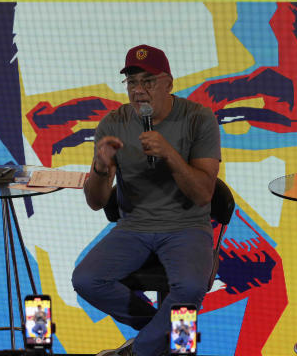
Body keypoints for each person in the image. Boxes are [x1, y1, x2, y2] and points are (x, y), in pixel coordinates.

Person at [72, 45, 222, 356]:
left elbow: (203, 193)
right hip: (134, 227)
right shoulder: (113, 123)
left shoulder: (198, 118)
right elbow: (96, 202)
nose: (139, 91)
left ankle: (137, 351)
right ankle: (161, 338)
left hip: (188, 226)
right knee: (86, 279)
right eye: (131, 83)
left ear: (169, 82)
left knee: (191, 289)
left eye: (148, 81)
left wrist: (169, 153)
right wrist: (101, 168)